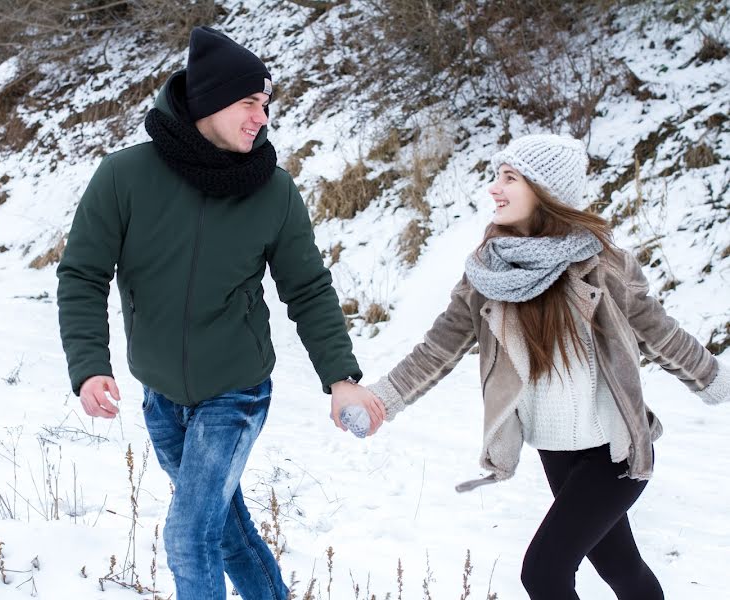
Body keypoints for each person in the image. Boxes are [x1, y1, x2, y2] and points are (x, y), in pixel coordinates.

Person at [56, 26, 384, 600]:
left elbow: (307, 288)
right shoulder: (124, 177)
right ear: (208, 101)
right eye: (249, 103)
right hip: (161, 397)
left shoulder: (273, 191)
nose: (261, 117)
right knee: (225, 534)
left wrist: (341, 377)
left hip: (236, 392)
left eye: (265, 105)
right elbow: (83, 273)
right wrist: (88, 364)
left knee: (188, 537)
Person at [359, 133, 728, 599]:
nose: (494, 187)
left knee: (544, 573)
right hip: (555, 451)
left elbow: (660, 334)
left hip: (617, 451)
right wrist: (381, 399)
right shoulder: (487, 274)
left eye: (509, 177)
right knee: (621, 566)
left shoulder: (604, 265)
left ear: (545, 191)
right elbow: (437, 350)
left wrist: (716, 380)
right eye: (496, 176)